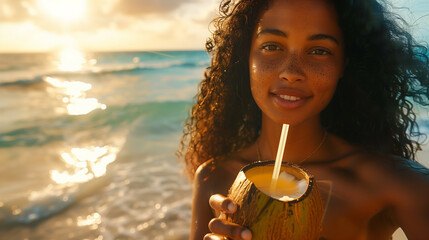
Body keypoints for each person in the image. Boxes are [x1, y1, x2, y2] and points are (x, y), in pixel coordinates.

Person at [178, 0, 429, 239]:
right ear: (247, 57)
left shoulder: (396, 185)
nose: (291, 72)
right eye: (272, 46)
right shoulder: (213, 177)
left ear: (344, 64)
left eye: (319, 51)